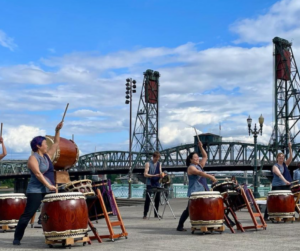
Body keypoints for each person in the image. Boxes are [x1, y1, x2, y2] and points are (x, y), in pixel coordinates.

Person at [13, 122, 63, 245]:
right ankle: (17, 238)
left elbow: (56, 143)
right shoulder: (33, 159)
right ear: (38, 146)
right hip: (36, 190)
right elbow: (38, 174)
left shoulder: (47, 156)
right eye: (45, 144)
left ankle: (58, 234)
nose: (47, 145)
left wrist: (57, 130)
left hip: (49, 188)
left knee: (58, 209)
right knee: (28, 214)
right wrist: (49, 186)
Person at [176, 141, 217, 231]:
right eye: (195, 157)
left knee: (204, 207)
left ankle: (203, 224)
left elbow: (205, 156)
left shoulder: (199, 165)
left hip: (203, 191)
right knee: (188, 210)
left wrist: (201, 147)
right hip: (195, 192)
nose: (197, 158)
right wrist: (210, 176)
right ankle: (180, 226)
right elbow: (199, 173)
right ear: (191, 159)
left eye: (197, 157)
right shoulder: (191, 167)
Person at [264, 142, 293, 221]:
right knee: (273, 200)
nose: (281, 158)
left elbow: (291, 157)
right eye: (280, 156)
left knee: (285, 199)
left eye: (282, 156)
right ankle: (266, 216)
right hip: (277, 185)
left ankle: (285, 214)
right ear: (277, 158)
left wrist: (290, 147)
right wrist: (286, 181)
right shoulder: (275, 166)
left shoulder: (285, 165)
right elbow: (279, 175)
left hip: (285, 185)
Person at [143, 151, 163, 219]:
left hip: (157, 183)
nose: (157, 159)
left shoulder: (159, 164)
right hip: (150, 183)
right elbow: (145, 174)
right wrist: (153, 175)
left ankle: (156, 213)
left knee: (157, 199)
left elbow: (160, 172)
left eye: (158, 158)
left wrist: (162, 175)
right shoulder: (148, 164)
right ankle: (145, 214)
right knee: (148, 199)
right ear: (153, 157)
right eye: (156, 158)